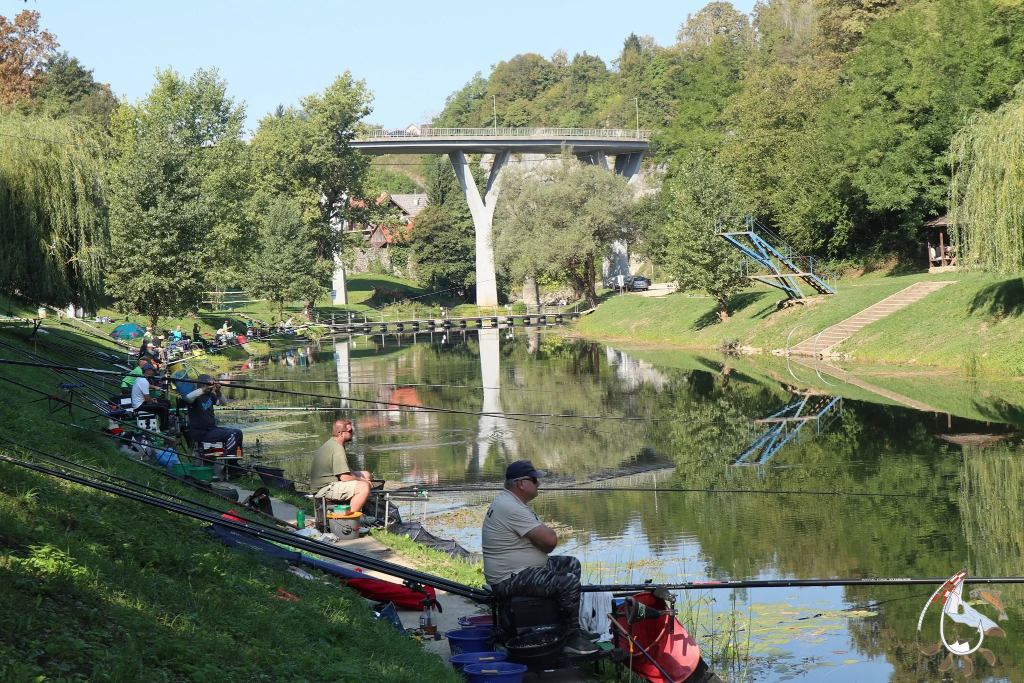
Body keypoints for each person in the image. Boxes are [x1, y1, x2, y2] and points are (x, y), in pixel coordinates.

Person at [482, 460, 597, 655]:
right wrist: (544, 541)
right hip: (509, 578)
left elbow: (544, 542)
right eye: (534, 480)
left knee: (571, 564)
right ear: (521, 484)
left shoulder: (510, 502)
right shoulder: (511, 507)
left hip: (517, 570)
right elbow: (550, 541)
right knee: (568, 582)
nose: (539, 483)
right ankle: (571, 638)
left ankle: (562, 626)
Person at [309, 419, 372, 514]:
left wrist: (362, 478)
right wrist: (363, 481)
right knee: (363, 487)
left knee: (366, 474)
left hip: (330, 482)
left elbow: (345, 470)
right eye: (350, 431)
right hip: (324, 488)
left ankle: (360, 506)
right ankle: (348, 518)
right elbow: (345, 477)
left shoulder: (333, 443)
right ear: (340, 433)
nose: (352, 433)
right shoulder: (338, 449)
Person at [183, 374, 243, 456]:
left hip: (212, 430)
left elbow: (224, 403)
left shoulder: (210, 395)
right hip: (201, 433)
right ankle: (229, 458)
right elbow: (188, 398)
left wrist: (218, 391)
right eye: (208, 384)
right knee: (231, 435)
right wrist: (203, 389)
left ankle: (235, 460)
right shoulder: (194, 397)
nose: (210, 387)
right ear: (202, 385)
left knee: (238, 432)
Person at [131, 363, 170, 431]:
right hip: (139, 406)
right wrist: (154, 401)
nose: (153, 372)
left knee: (166, 402)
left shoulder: (140, 378)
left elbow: (147, 386)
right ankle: (164, 428)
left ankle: (165, 419)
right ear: (148, 371)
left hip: (141, 402)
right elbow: (147, 399)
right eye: (152, 370)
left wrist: (155, 387)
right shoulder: (144, 381)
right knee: (163, 408)